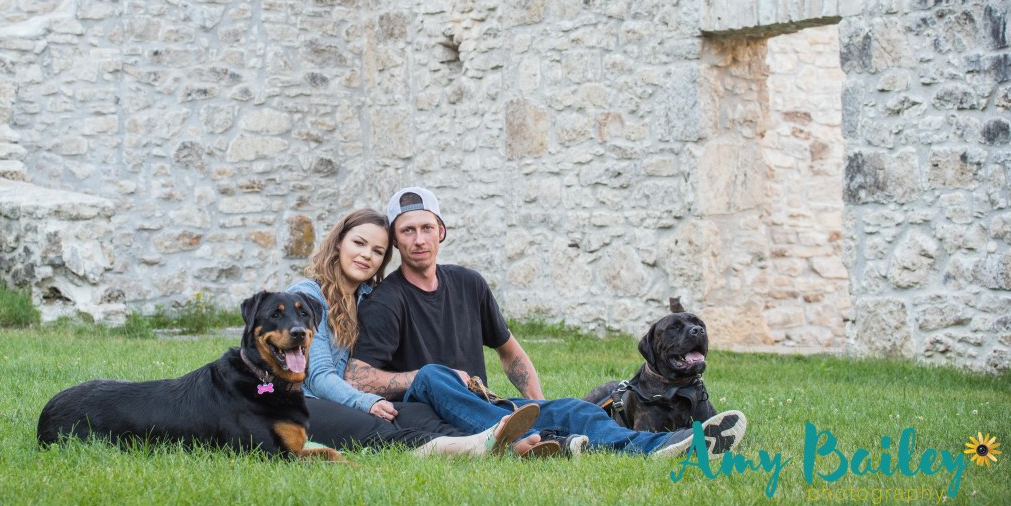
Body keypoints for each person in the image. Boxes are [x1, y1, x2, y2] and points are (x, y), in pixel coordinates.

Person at [345, 187, 748, 459]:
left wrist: (537, 405)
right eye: (408, 231)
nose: (419, 239)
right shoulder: (386, 300)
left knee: (573, 409)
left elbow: (511, 353)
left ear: (441, 231)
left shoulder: (468, 284)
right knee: (434, 375)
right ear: (396, 240)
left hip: (486, 408)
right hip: (427, 414)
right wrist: (425, 377)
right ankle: (526, 440)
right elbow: (356, 377)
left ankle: (662, 445)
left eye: (426, 228)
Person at [286, 207, 543, 456]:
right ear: (338, 243)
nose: (366, 255)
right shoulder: (306, 297)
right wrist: (366, 401)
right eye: (359, 243)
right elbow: (320, 377)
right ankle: (476, 447)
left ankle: (491, 443)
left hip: (340, 399)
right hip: (294, 398)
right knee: (378, 425)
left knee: (417, 413)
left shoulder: (366, 299)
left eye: (377, 251)